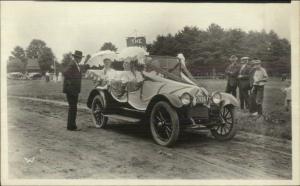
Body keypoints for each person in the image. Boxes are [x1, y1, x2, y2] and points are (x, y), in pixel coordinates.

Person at [62, 50, 83, 131]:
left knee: (73, 107)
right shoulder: (72, 64)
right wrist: (71, 83)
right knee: (72, 107)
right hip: (71, 90)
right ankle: (71, 126)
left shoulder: (76, 65)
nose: (80, 59)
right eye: (78, 58)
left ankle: (72, 125)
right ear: (76, 57)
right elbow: (65, 73)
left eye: (80, 58)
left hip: (74, 90)